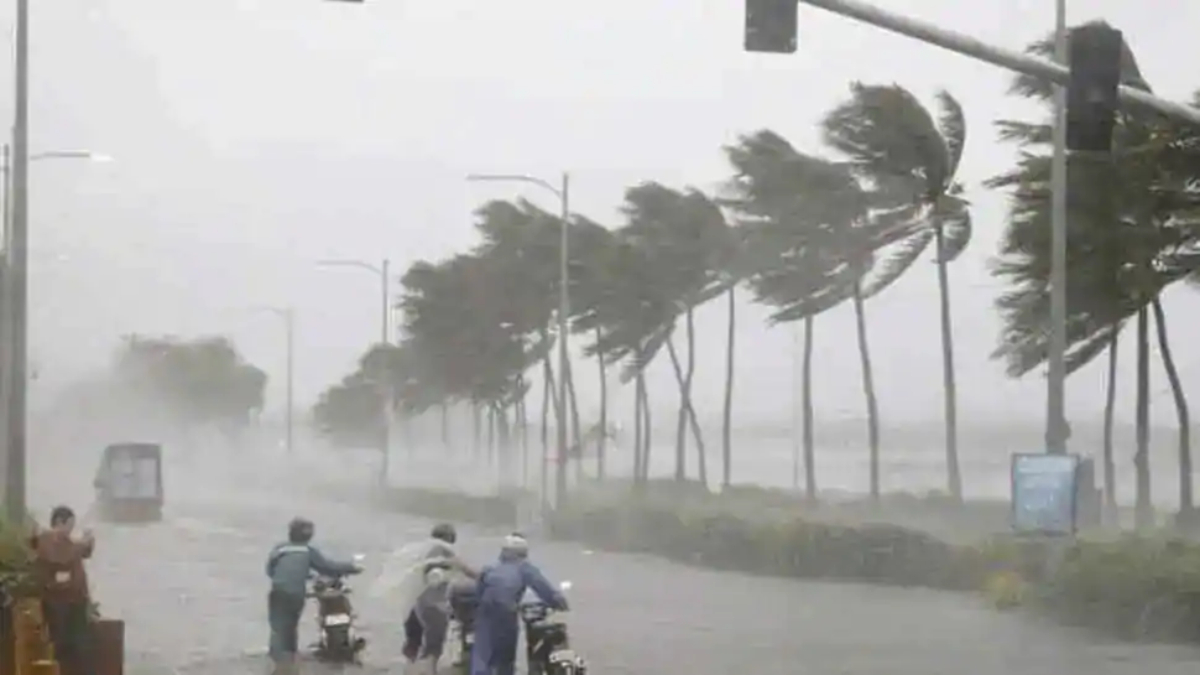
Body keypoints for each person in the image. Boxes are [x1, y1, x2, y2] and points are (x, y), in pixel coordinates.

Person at [265, 517, 361, 669]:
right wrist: (352, 567)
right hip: (296, 594)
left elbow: (270, 570)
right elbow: (327, 567)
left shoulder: (279, 549)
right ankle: (289, 659)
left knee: (277, 628)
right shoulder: (308, 551)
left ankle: (278, 662)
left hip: (277, 592)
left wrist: (299, 576)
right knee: (291, 626)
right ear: (309, 536)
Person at [470, 533, 566, 675]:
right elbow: (543, 588)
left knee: (483, 653)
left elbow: (478, 591)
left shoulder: (490, 567)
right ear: (523, 553)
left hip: (486, 610)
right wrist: (559, 603)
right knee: (505, 655)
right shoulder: (524, 567)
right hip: (506, 612)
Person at [402, 523, 478, 671]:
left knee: (415, 644)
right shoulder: (444, 552)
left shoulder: (423, 553)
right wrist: (488, 577)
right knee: (433, 648)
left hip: (416, 604)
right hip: (434, 607)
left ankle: (410, 668)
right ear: (450, 538)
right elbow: (468, 571)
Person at [31, 505, 95, 675]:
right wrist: (83, 544)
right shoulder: (47, 541)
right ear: (59, 522)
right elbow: (62, 557)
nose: (70, 530)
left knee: (80, 643)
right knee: (61, 643)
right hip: (58, 602)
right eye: (69, 525)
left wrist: (88, 541)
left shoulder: (67, 543)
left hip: (76, 600)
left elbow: (83, 551)